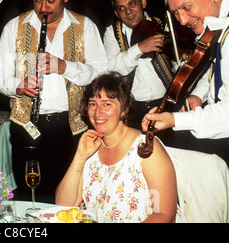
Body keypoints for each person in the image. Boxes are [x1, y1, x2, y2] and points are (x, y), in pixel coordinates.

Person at [0, 0, 108, 203]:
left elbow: (101, 74)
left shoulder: (84, 26)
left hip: (72, 125)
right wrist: (17, 86)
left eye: (51, 1)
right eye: (38, 0)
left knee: (71, 192)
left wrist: (65, 67)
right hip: (26, 125)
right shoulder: (14, 27)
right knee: (32, 192)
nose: (43, 8)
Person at [55, 73, 185, 223]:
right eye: (92, 103)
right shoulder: (91, 148)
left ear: (123, 109)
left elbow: (164, 214)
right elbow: (63, 206)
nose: (98, 112)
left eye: (107, 104)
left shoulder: (146, 147)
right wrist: (79, 157)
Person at [142, 0, 229, 165]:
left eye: (186, 7)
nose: (181, 20)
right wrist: (199, 93)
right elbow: (215, 68)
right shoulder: (216, 22)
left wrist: (175, 120)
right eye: (175, 13)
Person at [103, 0, 174, 130]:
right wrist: (139, 48)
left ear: (143, 3)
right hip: (132, 109)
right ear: (117, 13)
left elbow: (179, 64)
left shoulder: (164, 25)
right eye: (121, 8)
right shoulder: (112, 32)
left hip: (167, 105)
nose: (128, 12)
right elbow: (111, 68)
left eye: (132, 4)